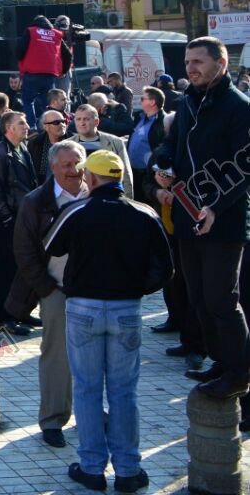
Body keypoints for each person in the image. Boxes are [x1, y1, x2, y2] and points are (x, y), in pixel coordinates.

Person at [44, 149, 172, 492]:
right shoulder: (144, 214)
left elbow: (51, 248)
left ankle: (92, 467)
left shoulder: (77, 211)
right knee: (123, 392)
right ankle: (128, 471)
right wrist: (137, 288)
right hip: (126, 308)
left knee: (87, 390)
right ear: (118, 179)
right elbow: (165, 266)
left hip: (84, 307)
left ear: (93, 178)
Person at [154, 35, 250, 401]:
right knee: (196, 297)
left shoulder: (239, 108)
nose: (190, 68)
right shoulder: (187, 103)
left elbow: (245, 169)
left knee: (222, 300)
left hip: (222, 220)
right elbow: (172, 144)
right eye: (188, 62)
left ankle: (239, 373)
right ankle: (221, 361)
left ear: (220, 64)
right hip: (185, 214)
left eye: (198, 62)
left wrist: (216, 207)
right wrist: (163, 163)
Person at [8, 140, 87, 450]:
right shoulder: (36, 201)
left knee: (96, 358)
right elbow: (24, 250)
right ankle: (54, 420)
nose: (73, 171)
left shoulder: (96, 193)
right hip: (57, 290)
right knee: (56, 358)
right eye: (66, 165)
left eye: (78, 164)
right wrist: (47, 290)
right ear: (53, 167)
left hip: (96, 293)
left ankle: (93, 414)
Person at [0, 109, 37, 335]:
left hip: (24, 219)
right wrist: (7, 219)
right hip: (9, 222)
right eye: (22, 123)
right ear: (9, 128)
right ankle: (3, 318)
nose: (27, 126)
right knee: (6, 270)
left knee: (23, 269)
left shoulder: (22, 148)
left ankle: (20, 312)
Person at [17, 15, 73, 122]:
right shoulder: (56, 34)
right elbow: (68, 55)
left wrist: (21, 62)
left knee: (28, 101)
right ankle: (47, 125)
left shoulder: (30, 31)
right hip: (50, 74)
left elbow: (20, 51)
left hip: (31, 72)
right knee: (46, 103)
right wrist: (63, 71)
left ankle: (32, 127)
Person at [71, 105, 134, 185]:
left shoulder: (116, 143)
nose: (82, 123)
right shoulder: (67, 145)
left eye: (86, 119)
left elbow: (125, 174)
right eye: (78, 119)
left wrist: (125, 197)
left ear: (96, 122)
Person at [127, 87, 168, 207]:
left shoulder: (163, 122)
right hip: (134, 172)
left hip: (149, 175)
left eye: (142, 98)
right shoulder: (139, 117)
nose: (140, 101)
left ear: (152, 102)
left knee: (150, 207)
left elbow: (163, 149)